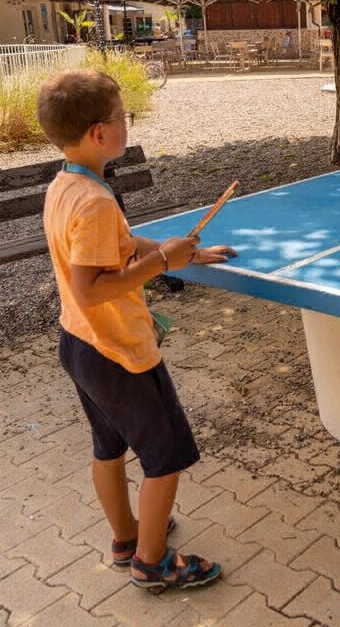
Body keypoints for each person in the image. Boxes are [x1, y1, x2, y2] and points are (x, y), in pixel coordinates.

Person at [38, 69, 236, 589]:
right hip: (120, 353)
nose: (129, 123)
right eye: (124, 117)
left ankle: (127, 536)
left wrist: (180, 251)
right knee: (164, 455)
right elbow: (92, 287)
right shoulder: (98, 201)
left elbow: (116, 246)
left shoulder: (67, 184)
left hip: (79, 344)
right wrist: (163, 265)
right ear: (100, 132)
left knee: (108, 446)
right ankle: (153, 562)